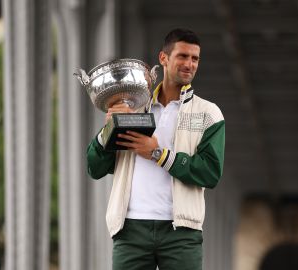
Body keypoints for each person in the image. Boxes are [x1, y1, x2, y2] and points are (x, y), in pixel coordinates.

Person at [86, 28, 225, 270]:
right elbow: (94, 168)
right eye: (182, 56)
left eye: (195, 58)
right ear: (164, 58)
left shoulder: (208, 113)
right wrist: (108, 129)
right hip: (130, 229)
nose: (189, 64)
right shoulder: (133, 108)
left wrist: (158, 154)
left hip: (181, 232)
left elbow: (210, 173)